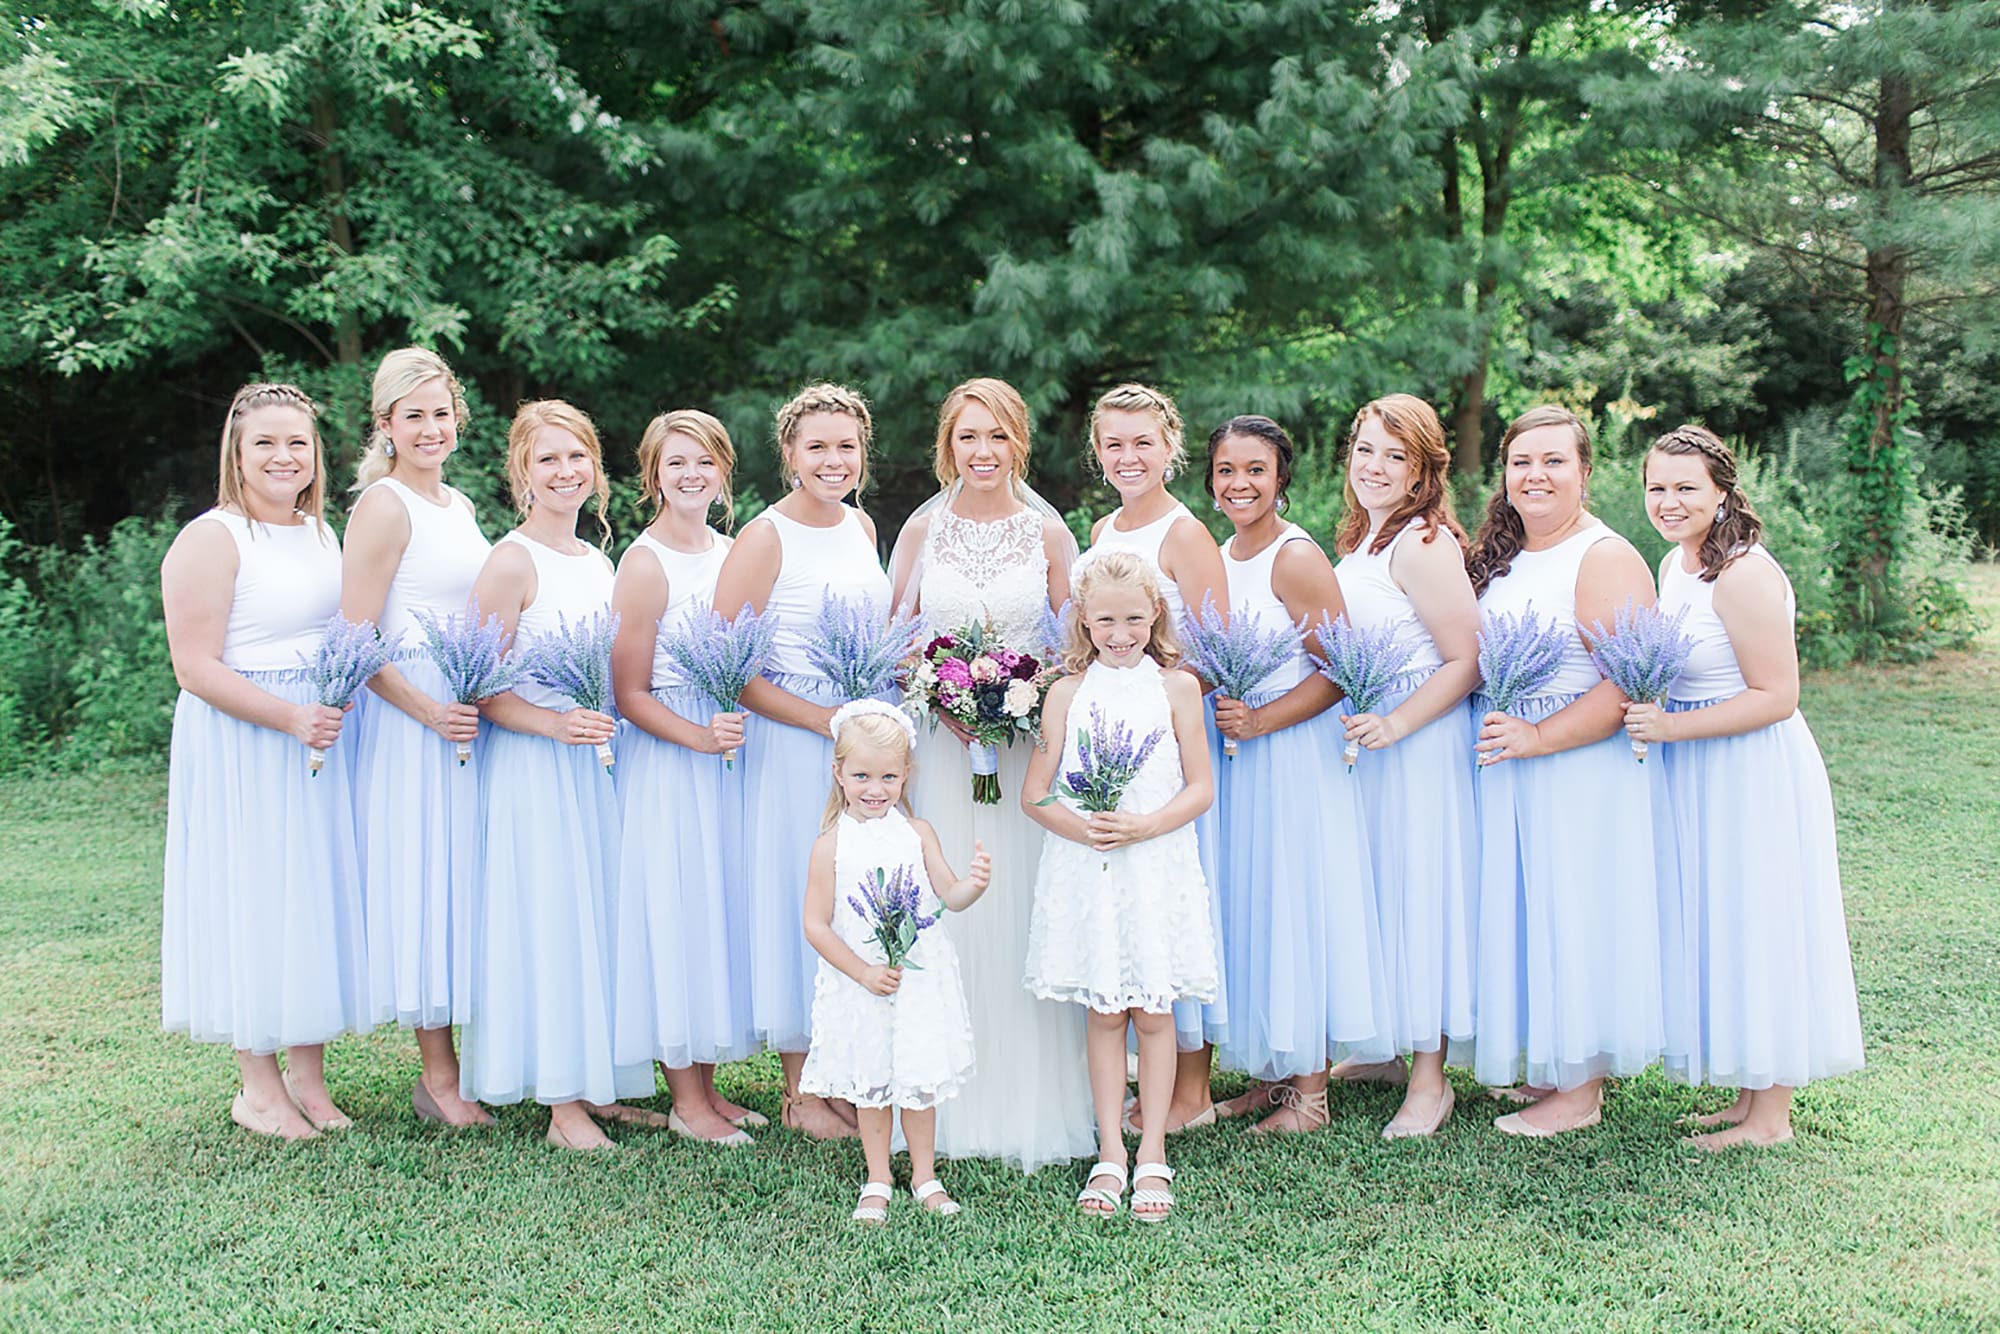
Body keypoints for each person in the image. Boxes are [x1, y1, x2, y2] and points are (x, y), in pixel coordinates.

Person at [1628, 424, 1863, 1149]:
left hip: (1751, 768)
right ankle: (1745, 1095)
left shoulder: (1744, 574)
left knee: (1762, 920)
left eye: (1685, 487)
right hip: (1700, 766)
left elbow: (1777, 694)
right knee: (1723, 919)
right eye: (1657, 487)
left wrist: (1668, 728)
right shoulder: (1678, 564)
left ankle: (1770, 1118)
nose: (1668, 501)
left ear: (1724, 490)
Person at [885, 377, 1096, 1171]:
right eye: (969, 437)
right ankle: (945, 1111)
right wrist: (936, 690)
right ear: (948, 445)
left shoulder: (1047, 535)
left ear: (1020, 444)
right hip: (942, 752)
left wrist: (1021, 699)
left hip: (1018, 754)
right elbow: (896, 641)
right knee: (949, 913)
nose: (984, 452)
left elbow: (1073, 647)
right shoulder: (921, 533)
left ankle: (1032, 1103)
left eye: (998, 437)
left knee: (1020, 910)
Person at [159, 382, 366, 1139]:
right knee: (252, 894)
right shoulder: (212, 538)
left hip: (314, 735)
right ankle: (257, 1085)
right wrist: (288, 716)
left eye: (298, 443)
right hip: (246, 738)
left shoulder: (320, 533)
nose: (284, 457)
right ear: (235, 455)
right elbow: (194, 666)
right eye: (265, 444)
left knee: (303, 895)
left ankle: (308, 1080)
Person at [1463, 405, 1674, 1136]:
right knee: (1535, 907)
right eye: (1523, 462)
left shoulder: (1604, 556)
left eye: (1554, 461)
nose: (1536, 475)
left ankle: (1581, 1091)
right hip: (1514, 755)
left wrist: (1541, 737)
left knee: (1579, 907)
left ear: (1585, 472)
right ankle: (1554, 1064)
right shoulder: (1509, 552)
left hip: (1578, 762)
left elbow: (1629, 683)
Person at [458, 400, 656, 1150]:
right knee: (548, 921)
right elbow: (479, 685)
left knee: (597, 920)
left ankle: (595, 1084)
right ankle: (561, 1107)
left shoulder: (597, 561)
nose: (565, 471)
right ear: (521, 473)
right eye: (548, 460)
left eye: (577, 457)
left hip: (595, 764)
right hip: (535, 768)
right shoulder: (511, 561)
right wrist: (554, 725)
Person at [1200, 415, 1394, 1135]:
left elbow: (1341, 670)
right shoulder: (1224, 552)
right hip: (1240, 761)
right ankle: (1273, 1077)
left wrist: (1262, 721)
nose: (1239, 483)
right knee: (1256, 905)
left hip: (1291, 757)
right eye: (1226, 469)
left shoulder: (1295, 556)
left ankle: (1311, 1094)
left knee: (1296, 902)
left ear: (1282, 476)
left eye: (1255, 469)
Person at [712, 382, 892, 1140]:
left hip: (864, 750)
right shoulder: (764, 537)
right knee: (802, 899)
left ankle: (843, 1073)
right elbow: (730, 668)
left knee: (854, 903)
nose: (832, 459)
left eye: (845, 446)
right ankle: (800, 1090)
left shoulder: (863, 525)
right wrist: (829, 720)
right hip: (796, 742)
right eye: (816, 446)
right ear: (788, 453)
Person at [1023, 549, 1217, 1221]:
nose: (1120, 633)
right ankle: (1110, 1153)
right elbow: (1035, 795)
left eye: (1133, 618)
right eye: (1105, 620)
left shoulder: (1178, 689)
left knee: (1155, 1013)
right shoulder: (1067, 693)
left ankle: (1154, 1151)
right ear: (1082, 618)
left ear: (1155, 613)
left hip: (1156, 862)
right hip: (1091, 869)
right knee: (1105, 1012)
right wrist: (1090, 832)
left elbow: (1200, 788)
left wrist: (1146, 825)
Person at [340, 347, 494, 1127]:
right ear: (386, 426)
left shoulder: (458, 506)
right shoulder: (383, 505)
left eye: (440, 412)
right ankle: (437, 1076)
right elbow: (355, 640)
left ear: (457, 417)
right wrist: (428, 711)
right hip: (412, 716)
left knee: (465, 875)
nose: (430, 428)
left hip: (466, 705)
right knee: (425, 876)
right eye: (413, 416)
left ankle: (472, 1059)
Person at [607, 409, 764, 1144]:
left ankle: (711, 1086)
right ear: (653, 475)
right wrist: (698, 737)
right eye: (676, 463)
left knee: (714, 911)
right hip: (672, 755)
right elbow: (628, 692)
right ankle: (685, 1102)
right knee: (675, 911)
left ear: (724, 470)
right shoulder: (644, 563)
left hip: (727, 750)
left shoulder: (734, 551)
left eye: (704, 461)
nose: (691, 475)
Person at [1328, 395, 1482, 1139]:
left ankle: (1429, 1080)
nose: (1377, 467)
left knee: (1423, 897)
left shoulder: (1422, 543)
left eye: (1396, 455)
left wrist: (1398, 721)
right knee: (1381, 890)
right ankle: (1388, 1052)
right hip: (1371, 744)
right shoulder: (1363, 541)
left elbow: (1468, 660)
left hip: (1419, 747)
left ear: (1423, 470)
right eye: (1366, 450)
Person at [1081, 382, 1228, 1135]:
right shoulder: (1103, 529)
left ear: (1171, 445)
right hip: (1101, 738)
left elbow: (1211, 648)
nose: (1128, 456)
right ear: (1097, 451)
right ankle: (1133, 1086)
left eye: (1143, 441)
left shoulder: (1184, 534)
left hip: (1165, 749)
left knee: (1169, 919)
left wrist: (1147, 714)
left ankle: (1186, 1094)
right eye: (1114, 443)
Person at [800, 702, 992, 1221]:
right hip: (862, 982)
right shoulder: (830, 846)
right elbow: (816, 923)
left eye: (888, 776)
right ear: (839, 773)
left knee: (918, 1077)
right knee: (873, 1081)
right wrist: (861, 971)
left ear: (906, 775)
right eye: (861, 775)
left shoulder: (918, 832)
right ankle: (878, 1176)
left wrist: (971, 886)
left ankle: (925, 1175)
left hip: (916, 979)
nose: (875, 789)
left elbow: (947, 894)